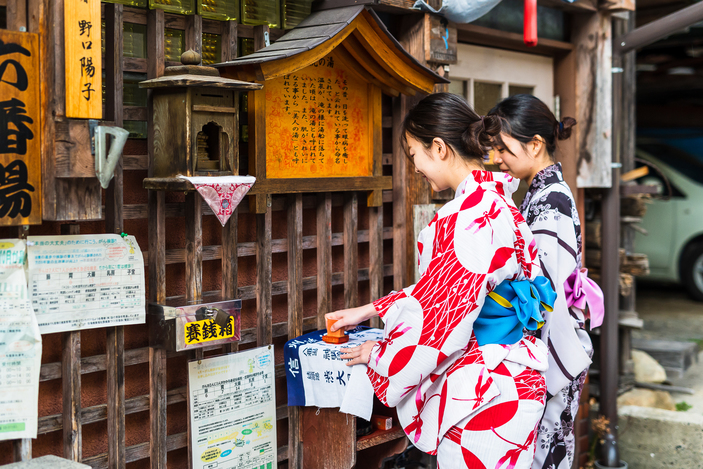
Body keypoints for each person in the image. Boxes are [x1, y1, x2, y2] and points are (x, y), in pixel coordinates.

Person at [326, 93, 555, 469]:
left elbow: (440, 323)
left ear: (438, 147)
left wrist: (379, 356)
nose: (415, 167)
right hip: (516, 377)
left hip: (488, 391)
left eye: (414, 154)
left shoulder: (465, 217)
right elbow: (443, 292)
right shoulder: (498, 202)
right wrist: (369, 309)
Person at [488, 94, 603, 469]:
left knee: (541, 456)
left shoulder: (549, 201)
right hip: (556, 333)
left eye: (503, 148)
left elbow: (544, 293)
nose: (497, 158)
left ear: (535, 144)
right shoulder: (542, 193)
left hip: (554, 340)